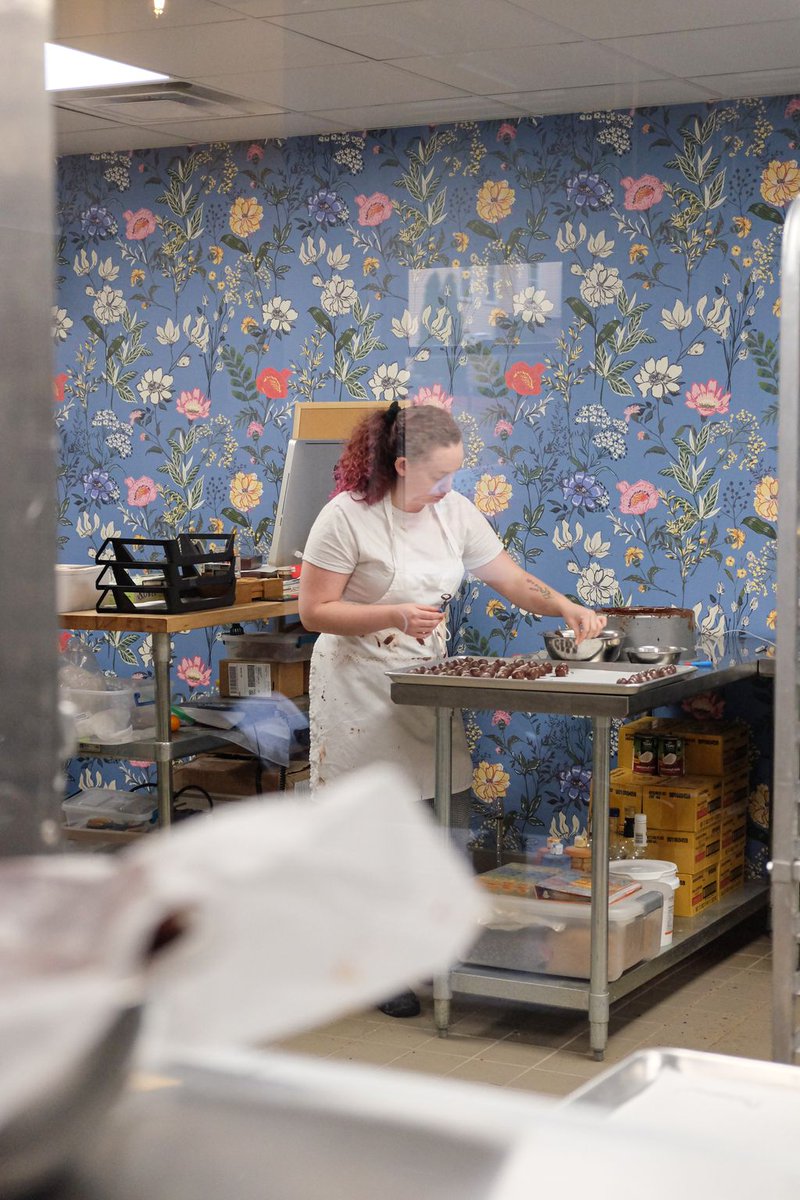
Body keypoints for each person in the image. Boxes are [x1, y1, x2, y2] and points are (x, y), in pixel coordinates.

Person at [298, 402, 606, 1016]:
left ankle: (436, 951)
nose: (447, 488)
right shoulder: (345, 518)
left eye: (455, 475)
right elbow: (314, 612)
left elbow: (512, 580)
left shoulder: (454, 513)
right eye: (437, 477)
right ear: (401, 464)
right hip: (359, 685)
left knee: (446, 815)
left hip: (426, 679)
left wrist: (567, 607)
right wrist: (391, 614)